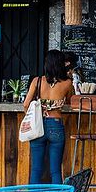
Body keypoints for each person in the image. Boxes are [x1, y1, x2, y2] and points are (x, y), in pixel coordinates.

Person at [22, 50, 74, 184]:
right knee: (55, 170)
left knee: (36, 170)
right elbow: (70, 102)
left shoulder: (37, 81)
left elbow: (26, 104)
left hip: (38, 126)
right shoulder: (68, 83)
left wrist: (34, 117)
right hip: (55, 125)